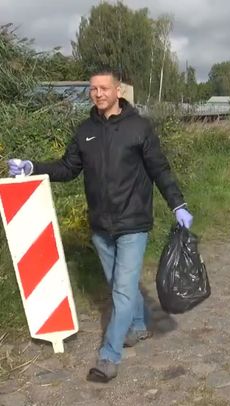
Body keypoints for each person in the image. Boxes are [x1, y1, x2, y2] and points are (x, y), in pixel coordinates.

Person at [7, 69, 193, 382]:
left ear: (118, 91)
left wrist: (178, 204)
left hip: (133, 223)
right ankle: (137, 325)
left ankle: (109, 356)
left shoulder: (139, 128)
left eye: (104, 88)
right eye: (93, 89)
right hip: (101, 227)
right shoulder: (85, 131)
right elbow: (68, 168)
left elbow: (160, 169)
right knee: (121, 284)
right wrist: (32, 167)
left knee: (121, 290)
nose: (98, 94)